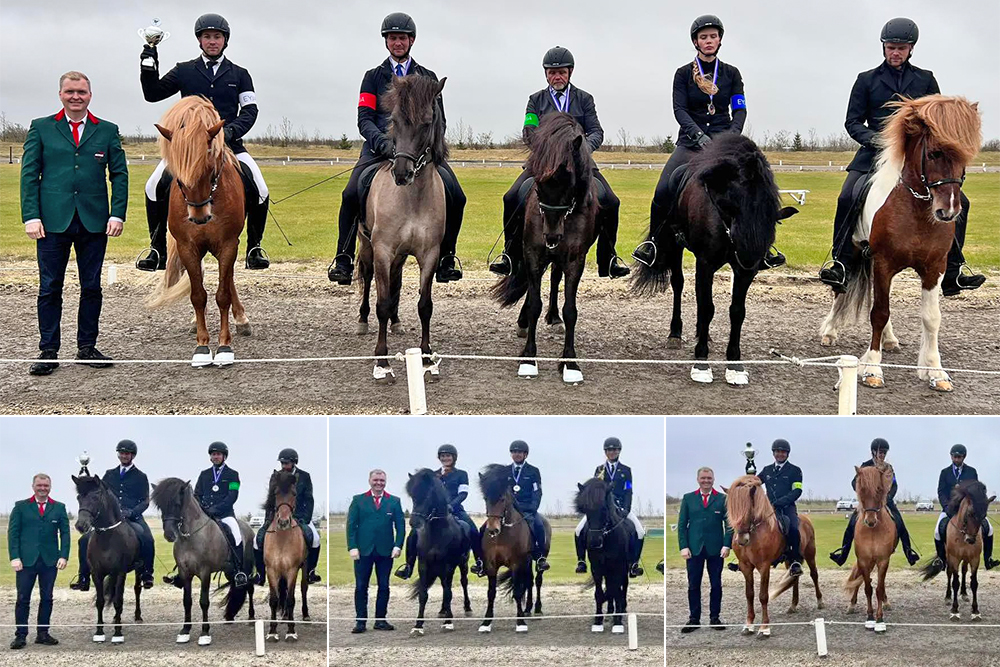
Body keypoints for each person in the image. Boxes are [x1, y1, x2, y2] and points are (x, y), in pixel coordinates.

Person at [818, 17, 984, 295]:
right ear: (883, 47)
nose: (895, 53)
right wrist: (877, 140)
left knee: (961, 201)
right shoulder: (866, 80)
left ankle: (954, 270)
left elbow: (938, 121)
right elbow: (853, 122)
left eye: (901, 48)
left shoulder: (925, 79)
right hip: (875, 154)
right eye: (891, 47)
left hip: (918, 158)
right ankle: (841, 263)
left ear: (911, 49)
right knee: (847, 196)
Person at [632, 15, 782, 270]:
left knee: (756, 186)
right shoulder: (682, 75)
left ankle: (763, 248)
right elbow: (680, 110)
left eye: (713, 36)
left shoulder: (732, 74)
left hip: (725, 142)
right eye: (704, 37)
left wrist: (731, 137)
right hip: (691, 143)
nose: (709, 40)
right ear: (696, 42)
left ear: (720, 39)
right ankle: (654, 244)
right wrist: (698, 136)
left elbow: (740, 109)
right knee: (663, 189)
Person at [328, 12, 466, 286]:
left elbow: (440, 121)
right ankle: (343, 256)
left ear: (411, 40)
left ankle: (447, 257)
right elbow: (364, 118)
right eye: (392, 38)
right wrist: (383, 143)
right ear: (386, 42)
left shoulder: (428, 77)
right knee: (351, 192)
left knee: (457, 194)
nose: (397, 43)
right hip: (379, 149)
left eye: (402, 38)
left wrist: (425, 148)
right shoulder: (373, 78)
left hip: (419, 151)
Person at [138, 13, 270, 271]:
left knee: (261, 189)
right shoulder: (184, 70)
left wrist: (228, 133)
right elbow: (152, 94)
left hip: (229, 145)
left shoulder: (240, 74)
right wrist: (148, 58)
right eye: (207, 37)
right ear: (199, 40)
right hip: (189, 149)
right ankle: (157, 249)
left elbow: (250, 111)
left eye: (217, 37)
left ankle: (255, 247)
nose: (212, 41)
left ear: (225, 41)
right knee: (153, 186)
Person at [488, 46, 630, 280]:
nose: (557, 77)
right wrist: (545, 151)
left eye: (561, 72)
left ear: (570, 72)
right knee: (511, 197)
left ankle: (609, 258)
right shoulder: (536, 100)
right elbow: (528, 131)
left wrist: (582, 150)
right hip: (543, 165)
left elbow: (596, 131)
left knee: (611, 201)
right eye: (552, 73)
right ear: (546, 74)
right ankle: (509, 254)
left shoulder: (584, 99)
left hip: (580, 166)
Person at [20, 71, 127, 376]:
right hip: (52, 222)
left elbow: (119, 175)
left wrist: (116, 213)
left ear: (90, 95)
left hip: (94, 222)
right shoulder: (41, 128)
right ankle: (48, 350)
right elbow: (30, 175)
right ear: (61, 94)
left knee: (91, 286)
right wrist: (31, 216)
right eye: (70, 92)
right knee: (50, 287)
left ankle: (86, 347)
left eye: (81, 92)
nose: (76, 97)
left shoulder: (107, 130)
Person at [70, 439, 155, 591]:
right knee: (84, 541)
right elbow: (98, 492)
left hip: (132, 517)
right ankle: (83, 576)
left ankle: (147, 573)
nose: (124, 456)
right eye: (121, 453)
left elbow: (145, 501)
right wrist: (85, 477)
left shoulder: (141, 476)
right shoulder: (109, 474)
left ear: (132, 455)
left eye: (127, 453)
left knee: (147, 537)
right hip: (111, 518)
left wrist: (132, 512)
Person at [395, 443, 486, 580]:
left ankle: (480, 562)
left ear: (454, 458)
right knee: (414, 534)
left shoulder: (461, 474)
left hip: (455, 510)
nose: (445, 458)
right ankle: (408, 566)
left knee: (473, 530)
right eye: (443, 456)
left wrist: (451, 505)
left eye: (448, 456)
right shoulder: (432, 475)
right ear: (439, 458)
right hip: (434, 513)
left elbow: (463, 494)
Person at [829, 438, 920, 567]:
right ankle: (842, 554)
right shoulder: (865, 466)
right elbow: (854, 482)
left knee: (900, 523)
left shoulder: (888, 468)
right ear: (873, 452)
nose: (882, 455)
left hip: (885, 502)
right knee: (851, 525)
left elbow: (894, 485)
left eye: (884, 453)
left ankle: (909, 553)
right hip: (867, 504)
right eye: (880, 452)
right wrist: (863, 493)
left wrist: (888, 497)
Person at [7, 474, 70, 649]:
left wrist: (63, 555)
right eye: (39, 485)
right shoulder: (20, 507)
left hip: (50, 561)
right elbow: (13, 534)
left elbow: (65, 534)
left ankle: (42, 633)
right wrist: (14, 557)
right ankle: (20, 635)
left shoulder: (59, 508)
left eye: (46, 486)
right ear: (33, 486)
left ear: (50, 487)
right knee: (22, 599)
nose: (43, 488)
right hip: (25, 561)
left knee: (47, 598)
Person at [574, 437, 645, 577]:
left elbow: (628, 490)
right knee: (578, 530)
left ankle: (634, 563)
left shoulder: (626, 470)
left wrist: (626, 508)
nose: (612, 452)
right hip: (603, 507)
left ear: (619, 451)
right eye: (609, 450)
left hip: (620, 506)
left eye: (614, 450)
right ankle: (581, 561)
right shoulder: (599, 470)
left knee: (640, 531)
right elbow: (594, 490)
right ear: (605, 452)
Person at [253, 448, 322, 586]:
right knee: (257, 540)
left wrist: (305, 518)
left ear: (294, 462)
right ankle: (260, 574)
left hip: (300, 516)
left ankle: (310, 572)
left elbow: (309, 499)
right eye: (282, 463)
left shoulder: (304, 476)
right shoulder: (275, 477)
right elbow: (270, 499)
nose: (284, 466)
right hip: (277, 516)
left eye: (287, 463)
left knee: (315, 539)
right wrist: (268, 519)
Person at [347, 469, 405, 633]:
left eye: (382, 480)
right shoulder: (358, 500)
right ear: (370, 481)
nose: (379, 483)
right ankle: (360, 621)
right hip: (363, 551)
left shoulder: (394, 501)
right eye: (376, 480)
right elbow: (351, 525)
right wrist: (352, 546)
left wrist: (398, 545)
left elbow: (400, 527)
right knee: (360, 587)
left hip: (386, 551)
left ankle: (380, 620)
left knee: (384, 586)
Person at [678, 467, 731, 633]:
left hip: (716, 549)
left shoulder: (722, 499)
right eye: (703, 478)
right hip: (694, 549)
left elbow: (729, 524)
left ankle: (714, 617)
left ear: (713, 480)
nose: (706, 481)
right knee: (693, 585)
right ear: (698, 479)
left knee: (716, 584)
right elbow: (681, 525)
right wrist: (683, 546)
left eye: (709, 478)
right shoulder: (688, 499)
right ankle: (694, 619)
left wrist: (726, 544)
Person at [931, 444, 998, 570]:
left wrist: (976, 507)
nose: (956, 459)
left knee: (989, 529)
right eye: (954, 456)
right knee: (937, 532)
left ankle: (988, 559)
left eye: (959, 457)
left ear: (964, 457)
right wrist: (946, 507)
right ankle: (941, 560)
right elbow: (941, 491)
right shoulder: (945, 473)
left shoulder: (971, 471)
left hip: (969, 509)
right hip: (949, 509)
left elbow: (977, 492)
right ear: (951, 456)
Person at [193, 441, 248, 587]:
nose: (215, 456)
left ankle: (238, 571)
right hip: (205, 515)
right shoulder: (204, 474)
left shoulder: (233, 475)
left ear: (224, 456)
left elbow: (232, 496)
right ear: (210, 457)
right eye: (213, 454)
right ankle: (183, 571)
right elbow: (196, 494)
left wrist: (216, 509)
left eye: (218, 454)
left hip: (225, 514)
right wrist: (203, 508)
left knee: (236, 535)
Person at [757, 439, 804, 577]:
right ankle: (746, 557)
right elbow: (755, 481)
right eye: (778, 451)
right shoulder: (767, 470)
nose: (780, 454)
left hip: (787, 507)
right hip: (768, 508)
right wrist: (749, 471)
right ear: (773, 453)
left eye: (783, 452)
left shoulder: (795, 470)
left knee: (794, 529)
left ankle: (795, 560)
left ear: (787, 454)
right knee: (751, 525)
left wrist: (780, 502)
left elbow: (797, 491)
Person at [506, 440, 549, 571]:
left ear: (525, 454)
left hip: (527, 508)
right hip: (509, 508)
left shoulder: (533, 471)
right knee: (487, 528)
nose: (516, 454)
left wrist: (533, 507)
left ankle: (541, 557)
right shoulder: (506, 471)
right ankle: (484, 559)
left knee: (539, 526)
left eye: (519, 452)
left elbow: (537, 491)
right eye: (514, 452)